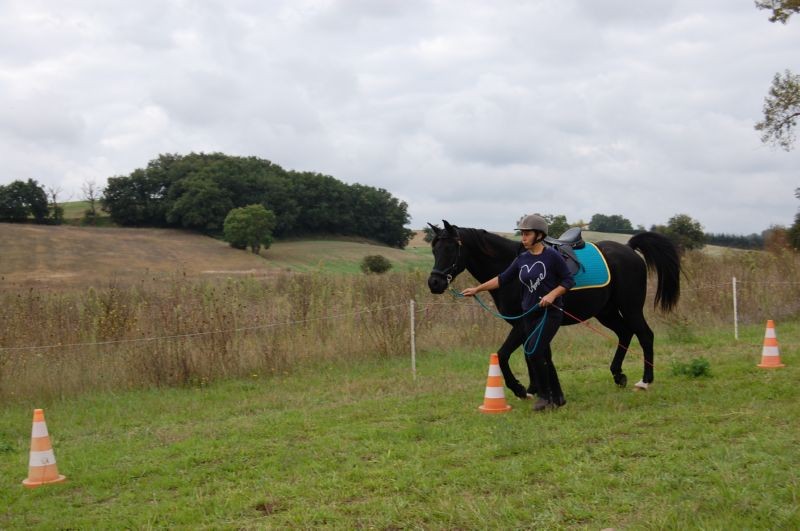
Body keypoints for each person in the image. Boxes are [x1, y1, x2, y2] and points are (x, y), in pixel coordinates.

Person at [461, 214, 575, 411]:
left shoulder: (552, 256)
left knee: (534, 352)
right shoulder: (522, 258)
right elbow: (502, 278)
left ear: (539, 235)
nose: (523, 238)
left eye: (527, 234)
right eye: (522, 234)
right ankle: (558, 396)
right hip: (529, 314)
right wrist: (477, 289)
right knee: (542, 354)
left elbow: (568, 280)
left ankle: (544, 397)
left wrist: (552, 294)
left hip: (549, 313)